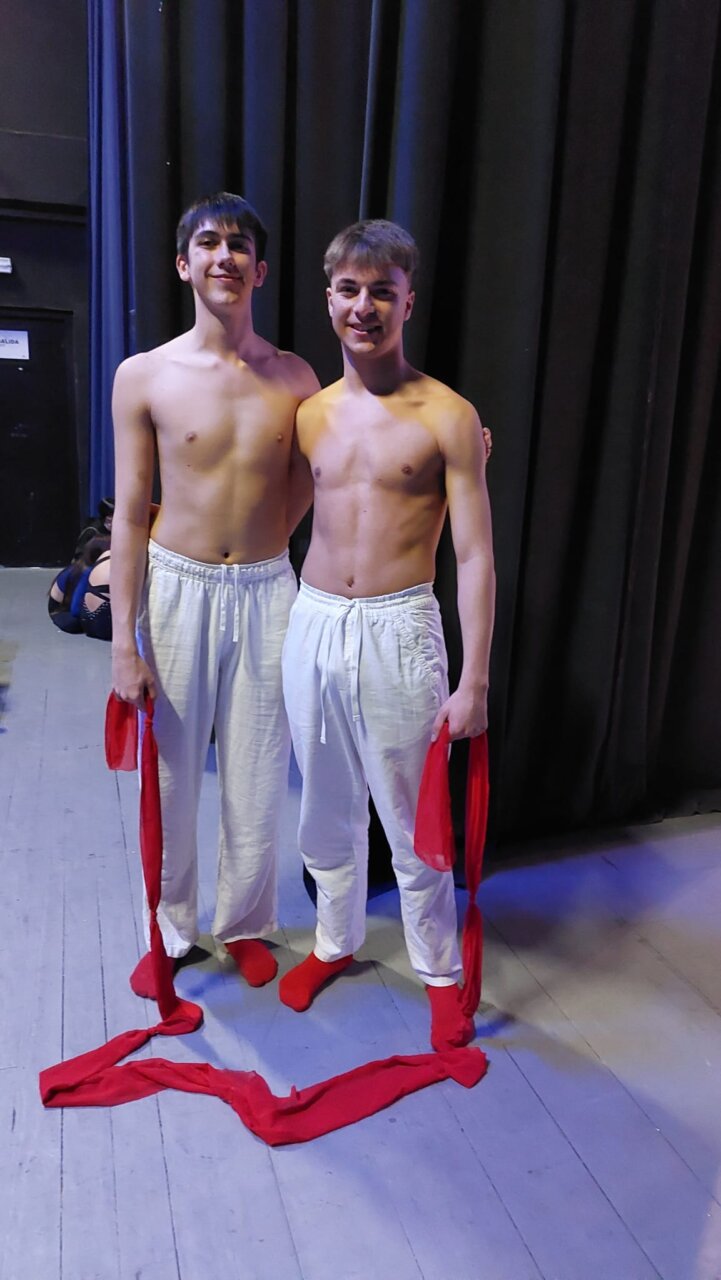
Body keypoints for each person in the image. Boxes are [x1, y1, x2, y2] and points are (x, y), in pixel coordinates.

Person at [279, 219, 495, 1052]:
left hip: (399, 625)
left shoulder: (448, 415)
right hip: (313, 620)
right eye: (348, 290)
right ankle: (334, 941)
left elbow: (472, 555)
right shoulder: (309, 415)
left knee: (411, 818)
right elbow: (267, 514)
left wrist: (473, 679)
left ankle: (436, 971)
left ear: (408, 301)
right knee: (324, 806)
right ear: (328, 299)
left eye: (381, 291)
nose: (362, 307)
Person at [110, 192, 319, 996]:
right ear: (182, 264)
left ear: (259, 270)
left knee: (259, 768)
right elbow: (131, 511)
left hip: (267, 589)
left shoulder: (295, 377)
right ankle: (170, 927)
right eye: (208, 242)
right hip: (177, 585)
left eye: (238, 244)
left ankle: (244, 923)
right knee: (170, 773)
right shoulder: (145, 375)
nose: (224, 255)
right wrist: (123, 642)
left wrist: (265, 544)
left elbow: (311, 481)